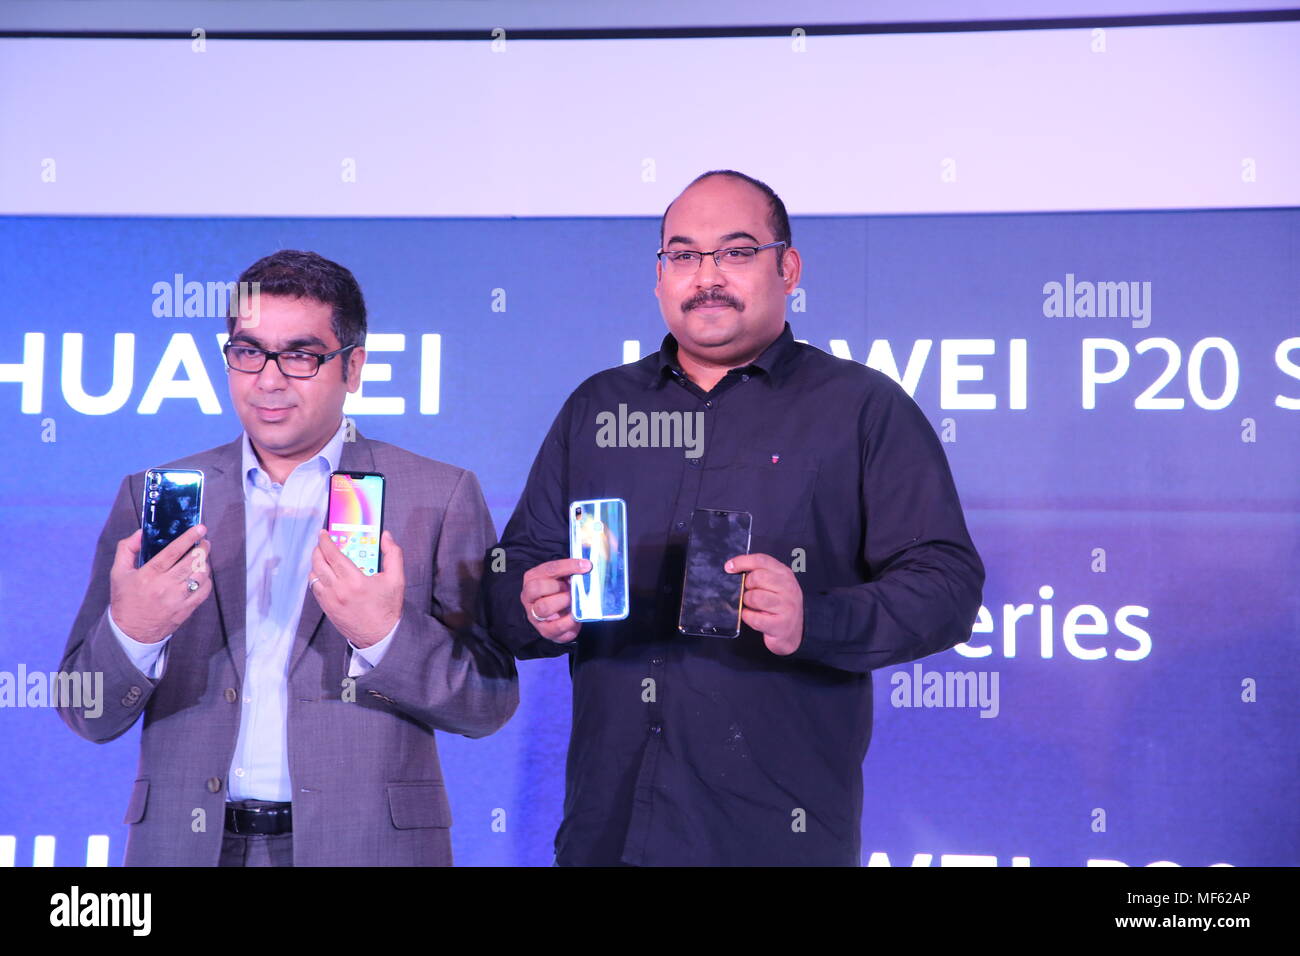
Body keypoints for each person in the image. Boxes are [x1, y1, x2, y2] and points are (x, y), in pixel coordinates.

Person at [484, 170, 985, 866]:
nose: (706, 276)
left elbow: (948, 586)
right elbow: (514, 570)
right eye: (683, 255)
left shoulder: (862, 409)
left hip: (774, 834)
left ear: (788, 268)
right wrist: (530, 606)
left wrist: (816, 618)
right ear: (660, 277)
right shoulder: (597, 408)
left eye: (736, 252)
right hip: (610, 828)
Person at [57, 250, 517, 866]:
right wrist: (134, 633)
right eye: (248, 352)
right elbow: (86, 712)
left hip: (365, 849)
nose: (268, 379)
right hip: (185, 848)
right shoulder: (159, 497)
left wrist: (384, 636)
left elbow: (486, 703)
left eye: (300, 355)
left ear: (352, 366)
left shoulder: (437, 495)